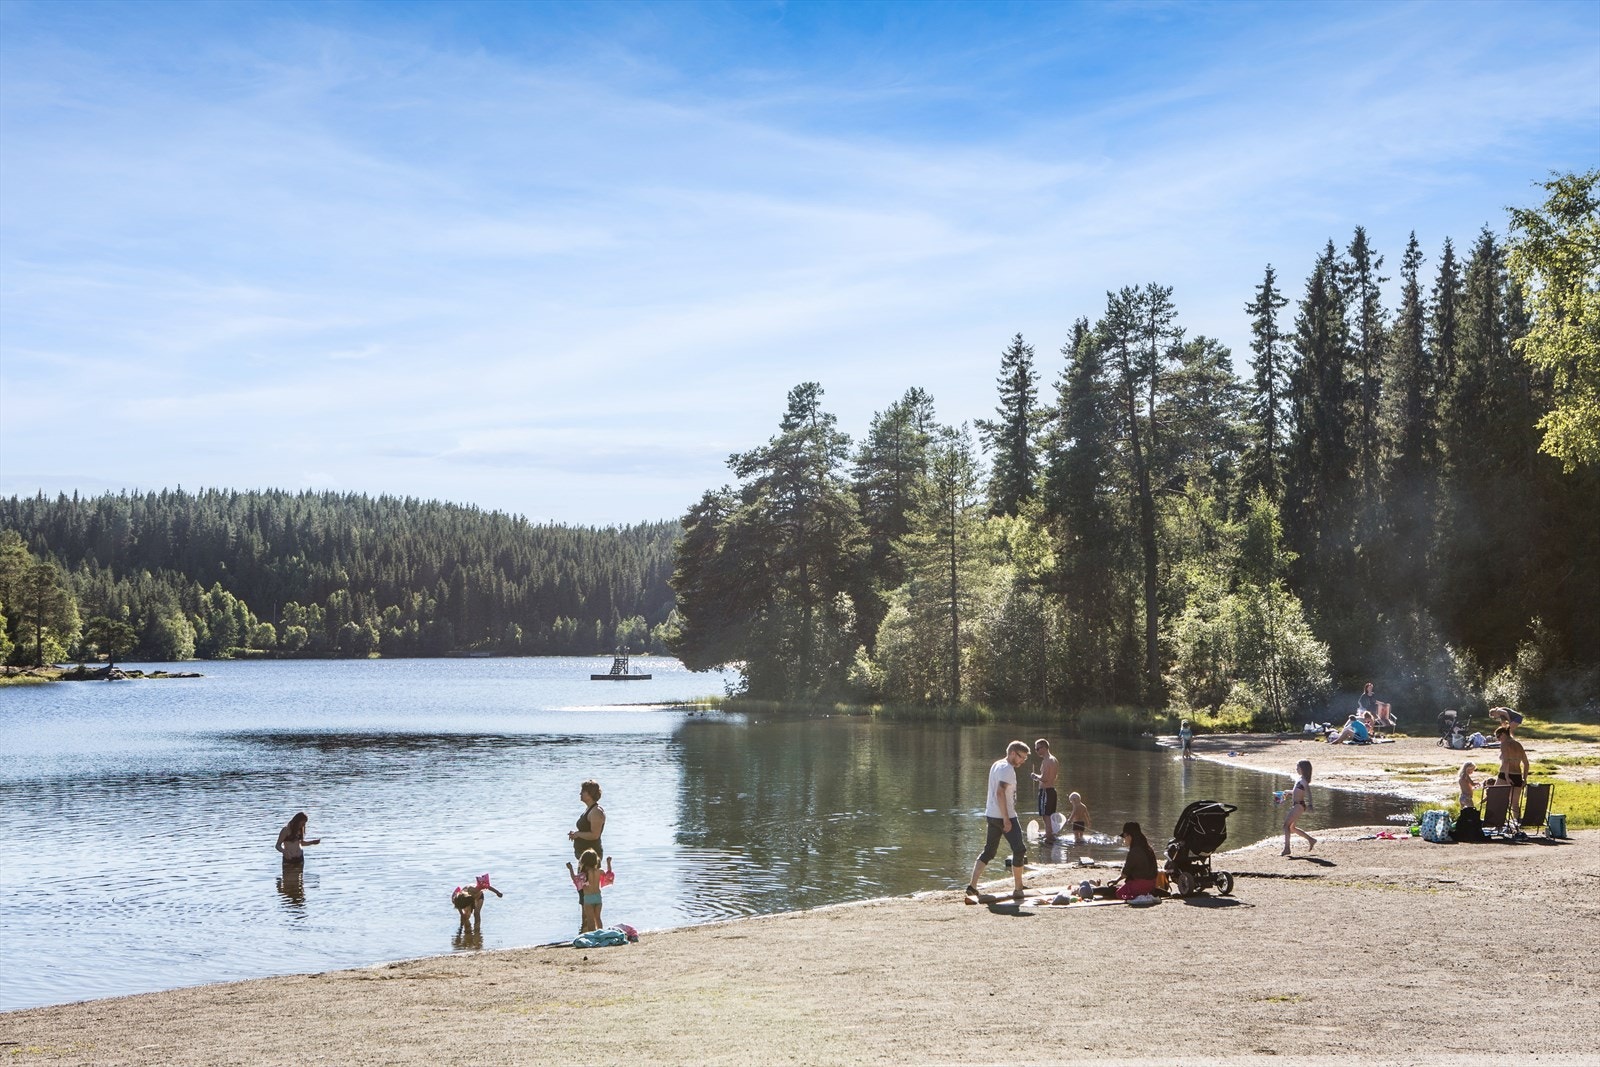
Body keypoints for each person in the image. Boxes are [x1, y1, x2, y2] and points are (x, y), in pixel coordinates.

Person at [966, 740, 1030, 901]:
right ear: (1013, 753)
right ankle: (1018, 888)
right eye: (1022, 757)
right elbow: (1000, 792)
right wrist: (1007, 819)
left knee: (989, 851)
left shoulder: (997, 764)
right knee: (1019, 849)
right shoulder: (1007, 769)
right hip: (1004, 816)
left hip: (992, 814)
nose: (1023, 761)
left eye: (1025, 758)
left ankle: (972, 886)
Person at [566, 851, 614, 933]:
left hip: (588, 899)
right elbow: (609, 875)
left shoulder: (584, 874)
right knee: (598, 918)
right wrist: (608, 863)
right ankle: (601, 934)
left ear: (584, 862)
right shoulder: (599, 871)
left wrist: (570, 869)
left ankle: (593, 936)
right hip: (598, 897)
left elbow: (575, 879)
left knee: (590, 920)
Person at [1110, 822, 1159, 901]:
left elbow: (1124, 874)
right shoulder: (1148, 849)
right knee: (1124, 886)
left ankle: (1136, 895)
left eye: (1124, 836)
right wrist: (1117, 880)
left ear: (1130, 836)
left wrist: (1117, 880)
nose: (1124, 840)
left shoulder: (1134, 851)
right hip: (1152, 884)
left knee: (1118, 893)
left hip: (1140, 885)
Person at [1281, 760, 1316, 856]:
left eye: (1298, 767)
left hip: (1299, 805)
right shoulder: (1299, 779)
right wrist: (1287, 792)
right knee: (1292, 828)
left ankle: (1287, 848)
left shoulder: (1303, 781)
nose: (1296, 769)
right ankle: (1311, 840)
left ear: (1302, 769)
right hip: (1297, 805)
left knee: (1286, 826)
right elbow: (1295, 791)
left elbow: (1308, 793)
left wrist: (1310, 805)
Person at [1496, 726, 1530, 821]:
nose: (1498, 739)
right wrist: (1524, 779)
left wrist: (1507, 777)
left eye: (1498, 736)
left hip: (1505, 774)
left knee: (1496, 798)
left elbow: (1506, 761)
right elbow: (1526, 763)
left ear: (1503, 734)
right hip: (1517, 775)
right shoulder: (1518, 744)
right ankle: (1517, 823)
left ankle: (1498, 822)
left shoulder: (1504, 744)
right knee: (1515, 803)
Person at [1030, 738, 1060, 843]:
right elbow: (1055, 777)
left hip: (1045, 791)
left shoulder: (1047, 761)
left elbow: (1045, 778)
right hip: (1052, 790)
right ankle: (1050, 834)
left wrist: (1035, 776)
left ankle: (1048, 837)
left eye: (1038, 749)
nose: (1036, 751)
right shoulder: (1054, 759)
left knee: (1045, 815)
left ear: (1045, 747)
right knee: (1050, 814)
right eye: (1035, 749)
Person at [568, 780, 605, 862]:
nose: (580, 794)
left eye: (583, 791)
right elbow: (585, 830)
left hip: (591, 858)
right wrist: (575, 834)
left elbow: (594, 835)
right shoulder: (589, 809)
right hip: (584, 857)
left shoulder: (596, 812)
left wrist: (577, 834)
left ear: (590, 793)